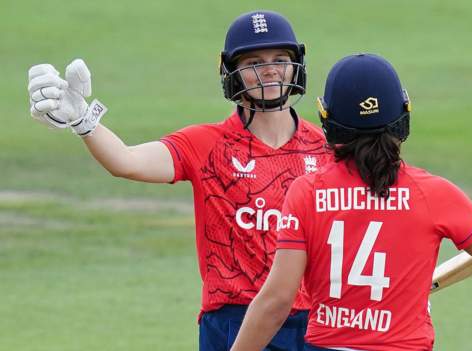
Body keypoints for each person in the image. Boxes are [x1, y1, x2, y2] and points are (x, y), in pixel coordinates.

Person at [229, 53, 472, 351]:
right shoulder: (434, 194)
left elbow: (276, 302)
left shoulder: (306, 192)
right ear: (403, 116)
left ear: (329, 122)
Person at [27, 10, 333, 351]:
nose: (270, 69)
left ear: (297, 65)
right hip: (232, 320)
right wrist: (83, 120)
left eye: (280, 59)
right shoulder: (206, 144)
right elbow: (125, 161)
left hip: (313, 321)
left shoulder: (326, 147)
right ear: (232, 73)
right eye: (254, 62)